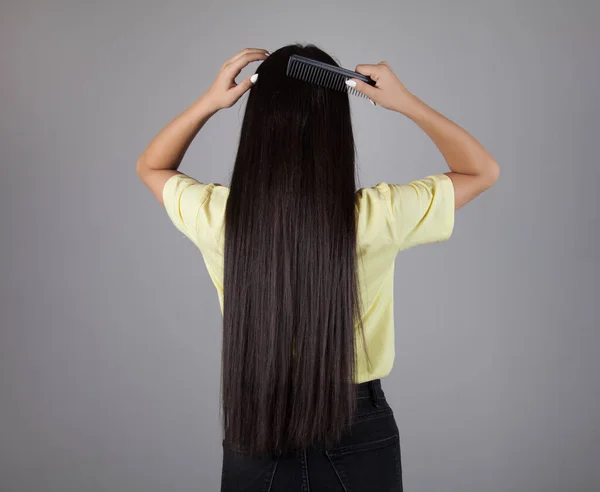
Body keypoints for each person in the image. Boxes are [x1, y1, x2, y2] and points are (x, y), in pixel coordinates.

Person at [136, 43, 499, 492]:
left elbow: (152, 165)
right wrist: (405, 103)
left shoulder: (219, 217)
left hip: (257, 423)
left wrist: (212, 101)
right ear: (336, 131)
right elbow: (481, 171)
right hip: (358, 425)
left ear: (257, 128)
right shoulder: (375, 216)